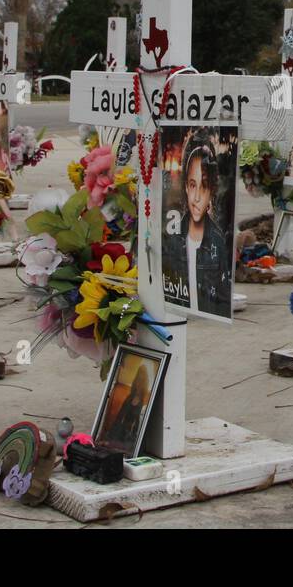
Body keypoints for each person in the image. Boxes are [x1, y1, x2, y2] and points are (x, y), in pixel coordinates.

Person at [163, 135, 231, 316]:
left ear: (212, 191)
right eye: (193, 185)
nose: (197, 198)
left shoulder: (217, 240)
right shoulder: (173, 236)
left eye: (204, 186)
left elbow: (223, 299)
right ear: (185, 186)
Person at [101, 360, 152, 454]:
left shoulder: (146, 400)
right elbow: (120, 416)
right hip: (122, 430)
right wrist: (112, 434)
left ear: (144, 382)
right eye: (137, 380)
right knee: (109, 444)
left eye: (141, 381)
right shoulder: (130, 397)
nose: (138, 383)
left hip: (132, 436)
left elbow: (139, 423)